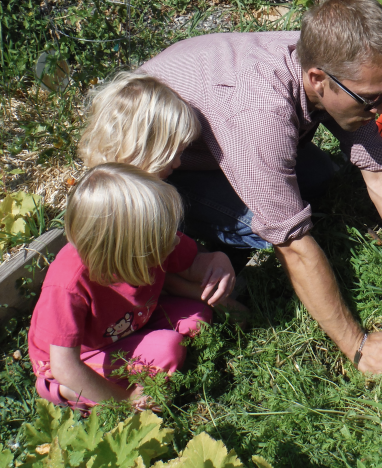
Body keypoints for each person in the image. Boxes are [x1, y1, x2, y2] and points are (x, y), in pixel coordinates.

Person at [138, 0, 382, 376]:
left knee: (318, 176)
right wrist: (357, 346)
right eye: (370, 100)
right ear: (317, 79)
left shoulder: (331, 61)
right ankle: (180, 256)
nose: (379, 111)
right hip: (157, 173)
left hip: (223, 132)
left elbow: (378, 170)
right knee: (270, 229)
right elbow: (292, 244)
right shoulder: (262, 113)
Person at [28, 163, 236, 412]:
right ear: (124, 249)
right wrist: (124, 400)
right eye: (162, 239)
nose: (172, 242)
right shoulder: (67, 285)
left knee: (198, 318)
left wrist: (219, 261)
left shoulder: (152, 243)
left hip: (128, 323)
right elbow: (65, 366)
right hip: (83, 355)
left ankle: (131, 366)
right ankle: (62, 391)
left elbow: (194, 264)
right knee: (167, 350)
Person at [77, 72, 243, 308]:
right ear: (145, 149)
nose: (177, 164)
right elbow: (160, 276)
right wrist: (218, 302)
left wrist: (212, 260)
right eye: (173, 155)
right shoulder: (120, 207)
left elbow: (176, 255)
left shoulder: (122, 187)